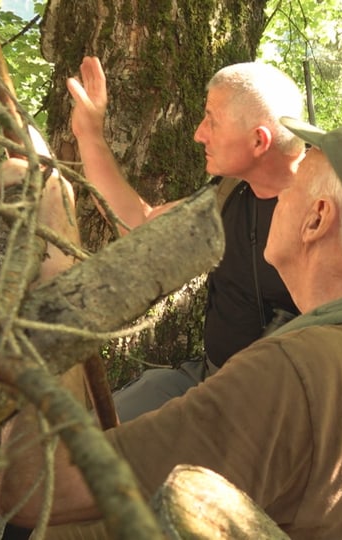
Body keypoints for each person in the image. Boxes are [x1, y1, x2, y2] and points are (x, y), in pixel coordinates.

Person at [0, 117, 342, 538]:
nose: (279, 197)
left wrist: (52, 255)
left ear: (316, 219)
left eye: (295, 186)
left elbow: (35, 490)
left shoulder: (290, 371)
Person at [66, 56, 305, 420]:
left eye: (212, 120)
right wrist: (90, 134)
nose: (198, 133)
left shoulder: (331, 210)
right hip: (212, 380)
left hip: (285, 410)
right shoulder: (230, 195)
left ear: (259, 140)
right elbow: (139, 227)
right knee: (90, 436)